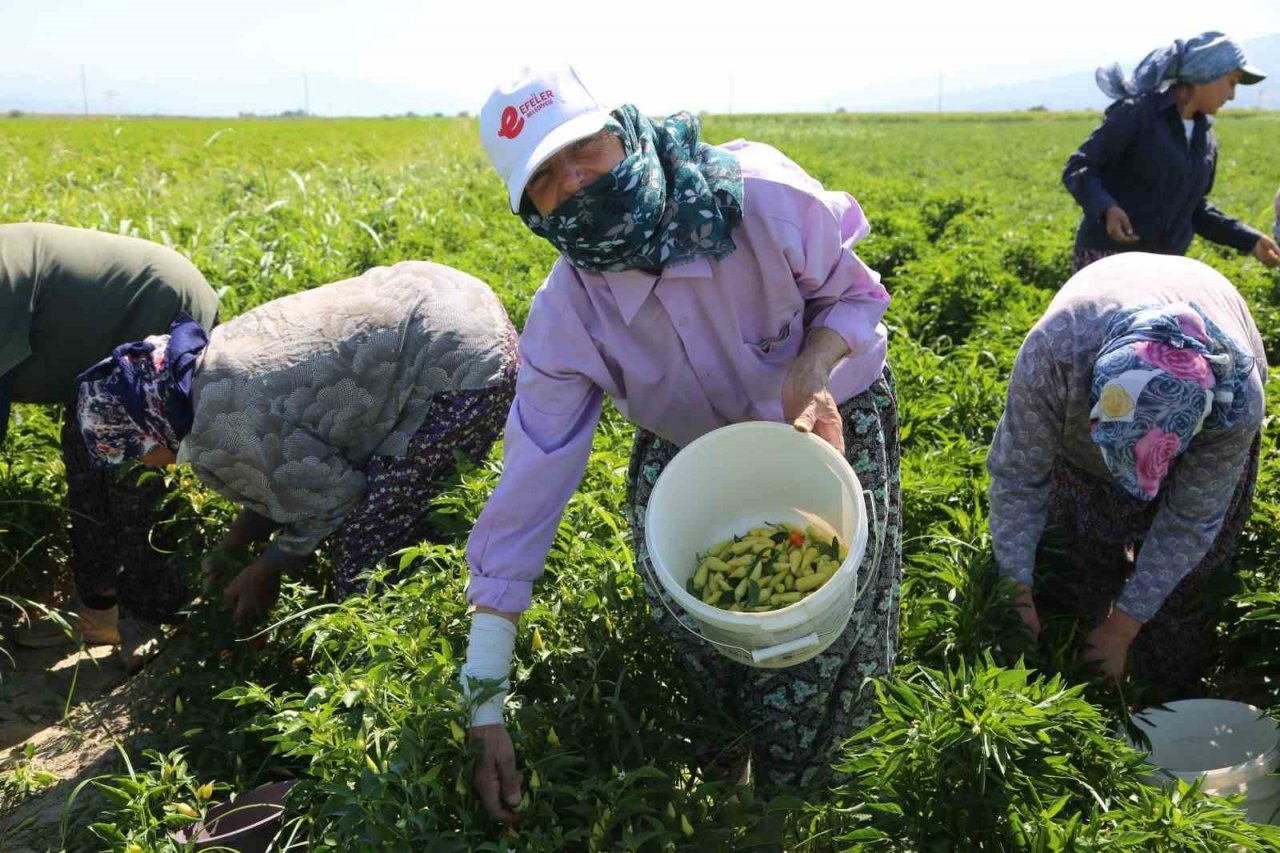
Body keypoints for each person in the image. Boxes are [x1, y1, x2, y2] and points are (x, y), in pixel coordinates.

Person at [462, 66, 901, 823]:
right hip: (691, 444)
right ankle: (727, 759)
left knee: (835, 616)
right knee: (695, 613)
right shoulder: (569, 315)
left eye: (585, 150)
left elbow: (856, 294)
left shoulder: (759, 197)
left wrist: (814, 362)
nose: (575, 182)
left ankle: (816, 806)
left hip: (826, 413)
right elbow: (528, 485)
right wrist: (484, 695)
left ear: (623, 131)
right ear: (531, 213)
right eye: (545, 180)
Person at [76, 261, 518, 620]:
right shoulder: (212, 368)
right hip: (449, 295)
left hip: (464, 365)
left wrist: (268, 569)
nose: (149, 465)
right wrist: (236, 543)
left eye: (136, 453)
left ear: (150, 425)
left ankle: (392, 654)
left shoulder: (218, 428)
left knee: (372, 539)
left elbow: (337, 497)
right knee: (394, 503)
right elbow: (280, 463)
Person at [987, 253, 1265, 701]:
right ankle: (1082, 656)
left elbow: (1190, 522)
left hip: (1207, 319)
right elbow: (1019, 476)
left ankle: (1164, 691)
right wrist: (1016, 589)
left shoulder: (1235, 399)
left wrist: (1122, 630)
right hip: (1089, 335)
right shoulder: (1056, 355)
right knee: (1079, 559)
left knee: (1182, 589)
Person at [1, 223, 220, 656]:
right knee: (85, 465)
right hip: (91, 337)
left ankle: (152, 622)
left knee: (135, 480)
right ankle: (96, 613)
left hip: (153, 306)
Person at [1063, 32, 1280, 272]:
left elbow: (1195, 209)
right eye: (1231, 82)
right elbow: (1079, 167)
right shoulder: (1138, 113)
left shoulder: (1205, 138)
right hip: (1108, 260)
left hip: (1164, 268)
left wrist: (1250, 240)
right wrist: (1106, 209)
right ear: (1207, 72)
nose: (1232, 95)